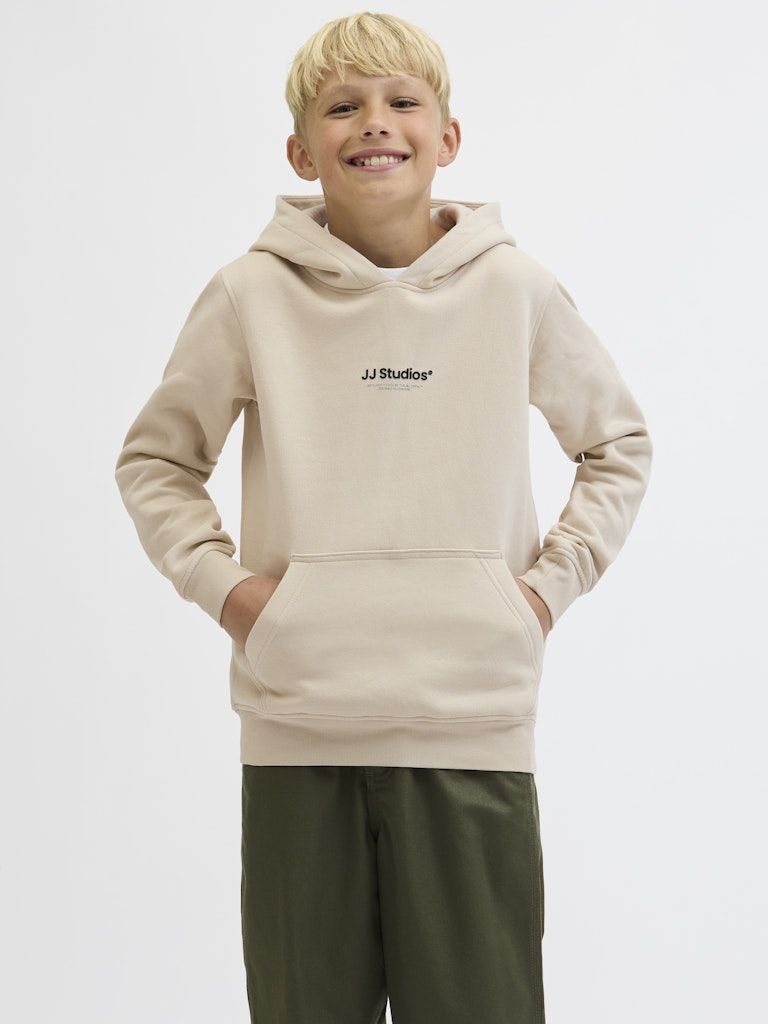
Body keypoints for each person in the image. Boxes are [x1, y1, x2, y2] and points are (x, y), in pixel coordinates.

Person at [114, 11, 653, 1023]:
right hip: (299, 730)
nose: (374, 122)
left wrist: (539, 595)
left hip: (471, 727)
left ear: (447, 138)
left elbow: (617, 445)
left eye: (403, 101)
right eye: (342, 106)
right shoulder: (247, 294)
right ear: (300, 150)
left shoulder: (517, 290)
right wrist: (232, 595)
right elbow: (157, 460)